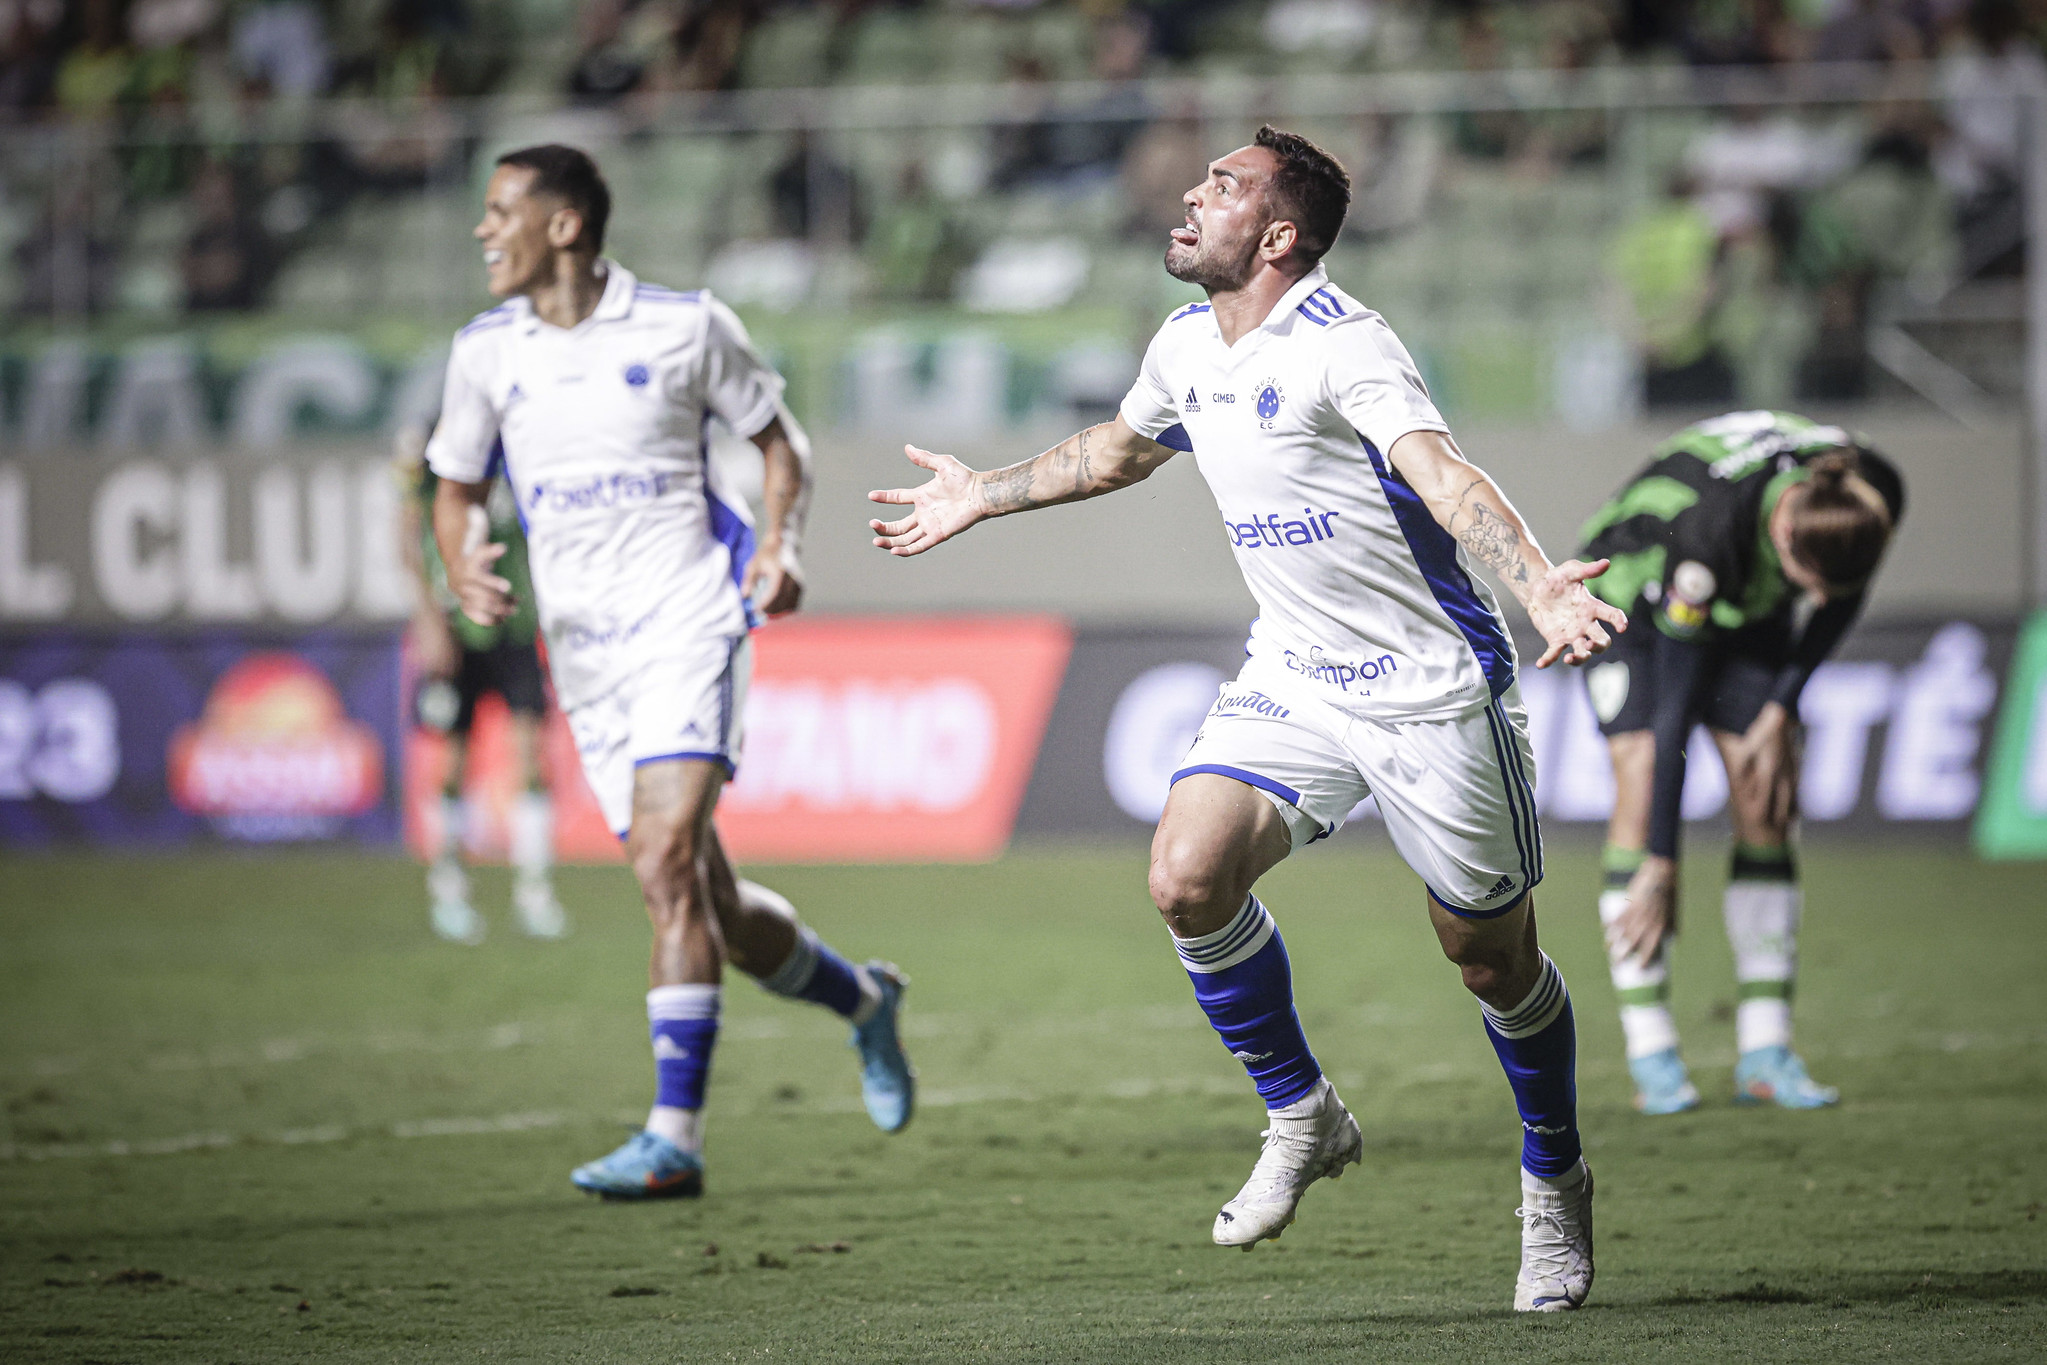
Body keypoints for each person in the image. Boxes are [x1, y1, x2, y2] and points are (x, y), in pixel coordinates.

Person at [869, 126, 1625, 1313]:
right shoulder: (1184, 343)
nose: (1189, 192)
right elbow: (1117, 453)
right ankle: (1302, 1113)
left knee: (1489, 960)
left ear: (1276, 236)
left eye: (1221, 186)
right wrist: (987, 494)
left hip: (1429, 687)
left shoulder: (1346, 345)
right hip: (1297, 673)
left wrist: (1532, 582)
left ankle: (1553, 1177)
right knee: (1185, 875)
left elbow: (1445, 477)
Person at [427, 144, 915, 1200]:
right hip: (586, 653)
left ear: (563, 224)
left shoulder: (685, 326)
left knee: (661, 863)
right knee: (711, 904)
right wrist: (461, 560)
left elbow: (780, 444)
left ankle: (673, 1141)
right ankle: (866, 1004)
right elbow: (454, 482)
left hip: (692, 617)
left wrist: (778, 546)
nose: (483, 230)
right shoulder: (484, 355)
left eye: (500, 210)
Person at [1578, 411, 1903, 1115]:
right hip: (1632, 601)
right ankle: (1652, 1052)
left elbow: (1837, 595)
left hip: (1747, 606)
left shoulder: (1870, 490)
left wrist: (1781, 705)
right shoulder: (1706, 542)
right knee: (1639, 778)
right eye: (1807, 583)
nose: (1817, 601)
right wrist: (1661, 859)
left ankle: (1764, 1049)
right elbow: (1674, 708)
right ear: (1783, 536)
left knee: (1765, 785)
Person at [395, 423, 566, 946]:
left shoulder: (523, 447)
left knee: (533, 756)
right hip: (456, 631)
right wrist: (427, 618)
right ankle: (449, 889)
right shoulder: (431, 447)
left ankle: (535, 894)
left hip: (514, 628)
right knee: (452, 762)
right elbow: (406, 534)